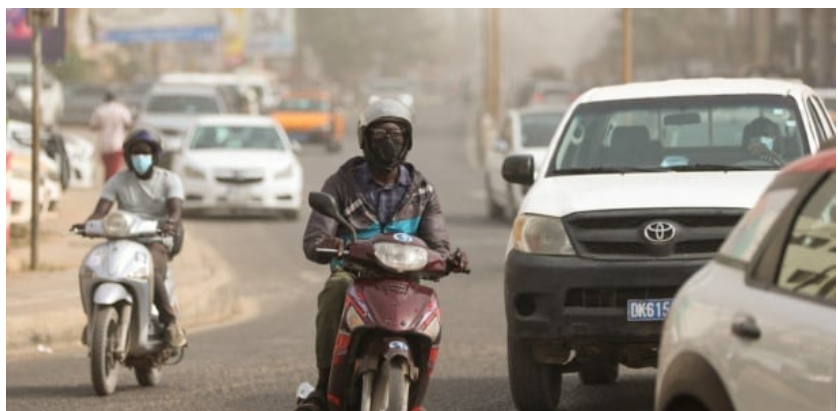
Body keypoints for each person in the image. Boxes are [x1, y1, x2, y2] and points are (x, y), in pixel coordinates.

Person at [297, 98, 469, 411]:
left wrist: (449, 260)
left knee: (429, 304)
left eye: (396, 134)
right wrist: (331, 244)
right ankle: (323, 387)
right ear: (364, 139)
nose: (389, 142)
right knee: (335, 288)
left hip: (405, 279)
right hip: (354, 274)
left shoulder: (423, 191)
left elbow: (438, 245)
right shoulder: (340, 185)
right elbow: (315, 238)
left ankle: (416, 395)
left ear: (408, 141)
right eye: (380, 134)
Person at [76, 129, 187, 349]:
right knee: (95, 267)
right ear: (127, 156)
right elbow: (101, 210)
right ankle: (93, 320)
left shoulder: (169, 180)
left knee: (151, 272)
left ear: (155, 156)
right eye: (135, 153)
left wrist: (170, 223)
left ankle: (170, 323)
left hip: (156, 238)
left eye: (145, 153)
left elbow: (175, 210)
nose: (140, 158)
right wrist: (88, 224)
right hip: (124, 238)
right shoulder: (117, 180)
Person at [90, 90, 133, 182]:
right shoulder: (122, 109)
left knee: (107, 168)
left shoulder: (100, 110)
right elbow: (128, 125)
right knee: (114, 168)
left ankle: (109, 185)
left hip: (104, 143)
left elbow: (93, 126)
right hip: (117, 142)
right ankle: (111, 186)